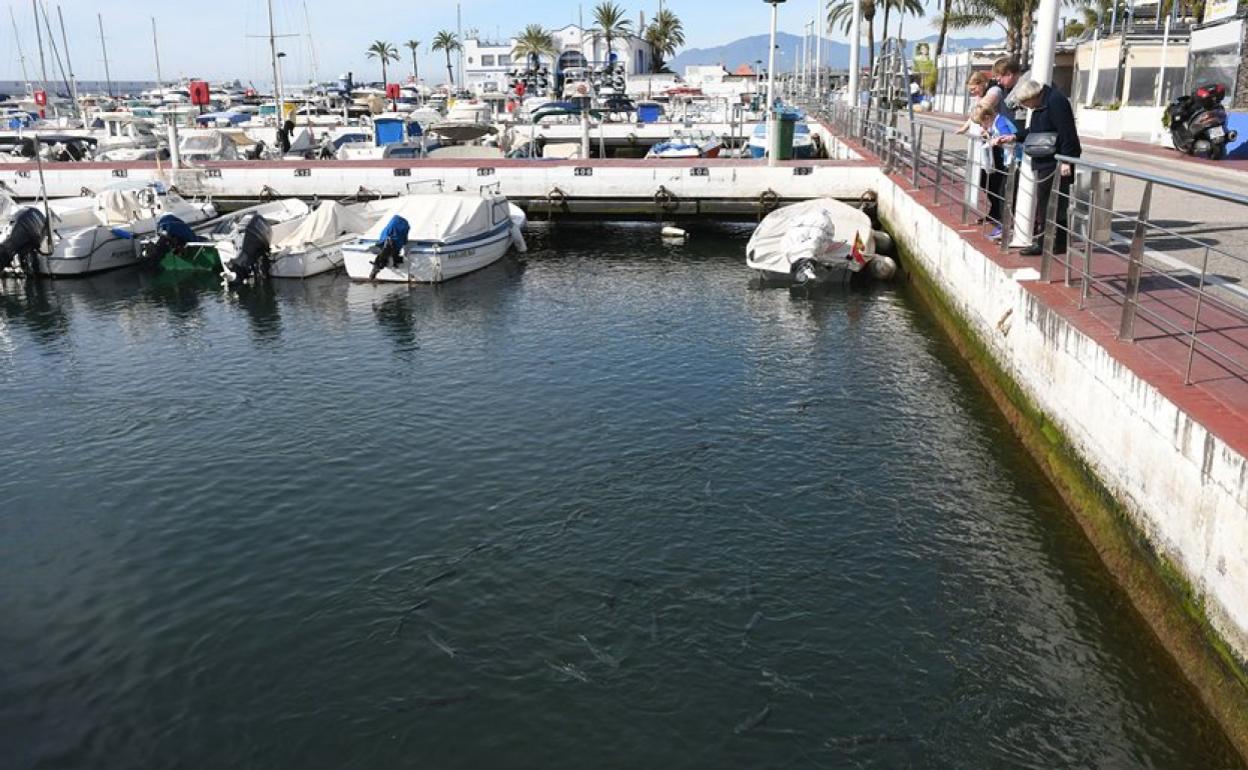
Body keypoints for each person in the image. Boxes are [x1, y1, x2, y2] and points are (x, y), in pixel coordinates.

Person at [994, 77, 1082, 256]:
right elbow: (1035, 130)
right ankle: (1053, 242)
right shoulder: (1041, 104)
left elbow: (1067, 133)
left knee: (1052, 203)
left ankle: (1048, 242)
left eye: (1026, 103)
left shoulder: (1055, 102)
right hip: (1044, 160)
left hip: (1055, 161)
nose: (1027, 107)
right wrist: (1015, 137)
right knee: (1047, 202)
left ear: (1033, 96)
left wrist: (1066, 160)